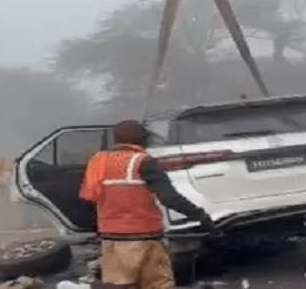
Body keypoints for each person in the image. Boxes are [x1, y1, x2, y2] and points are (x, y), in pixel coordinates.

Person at [80, 120, 214, 289]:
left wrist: (99, 229)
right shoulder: (144, 162)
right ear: (142, 139)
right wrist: (201, 217)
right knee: (158, 284)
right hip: (146, 239)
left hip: (112, 241)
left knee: (119, 286)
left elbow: (88, 199)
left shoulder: (98, 162)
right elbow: (170, 198)